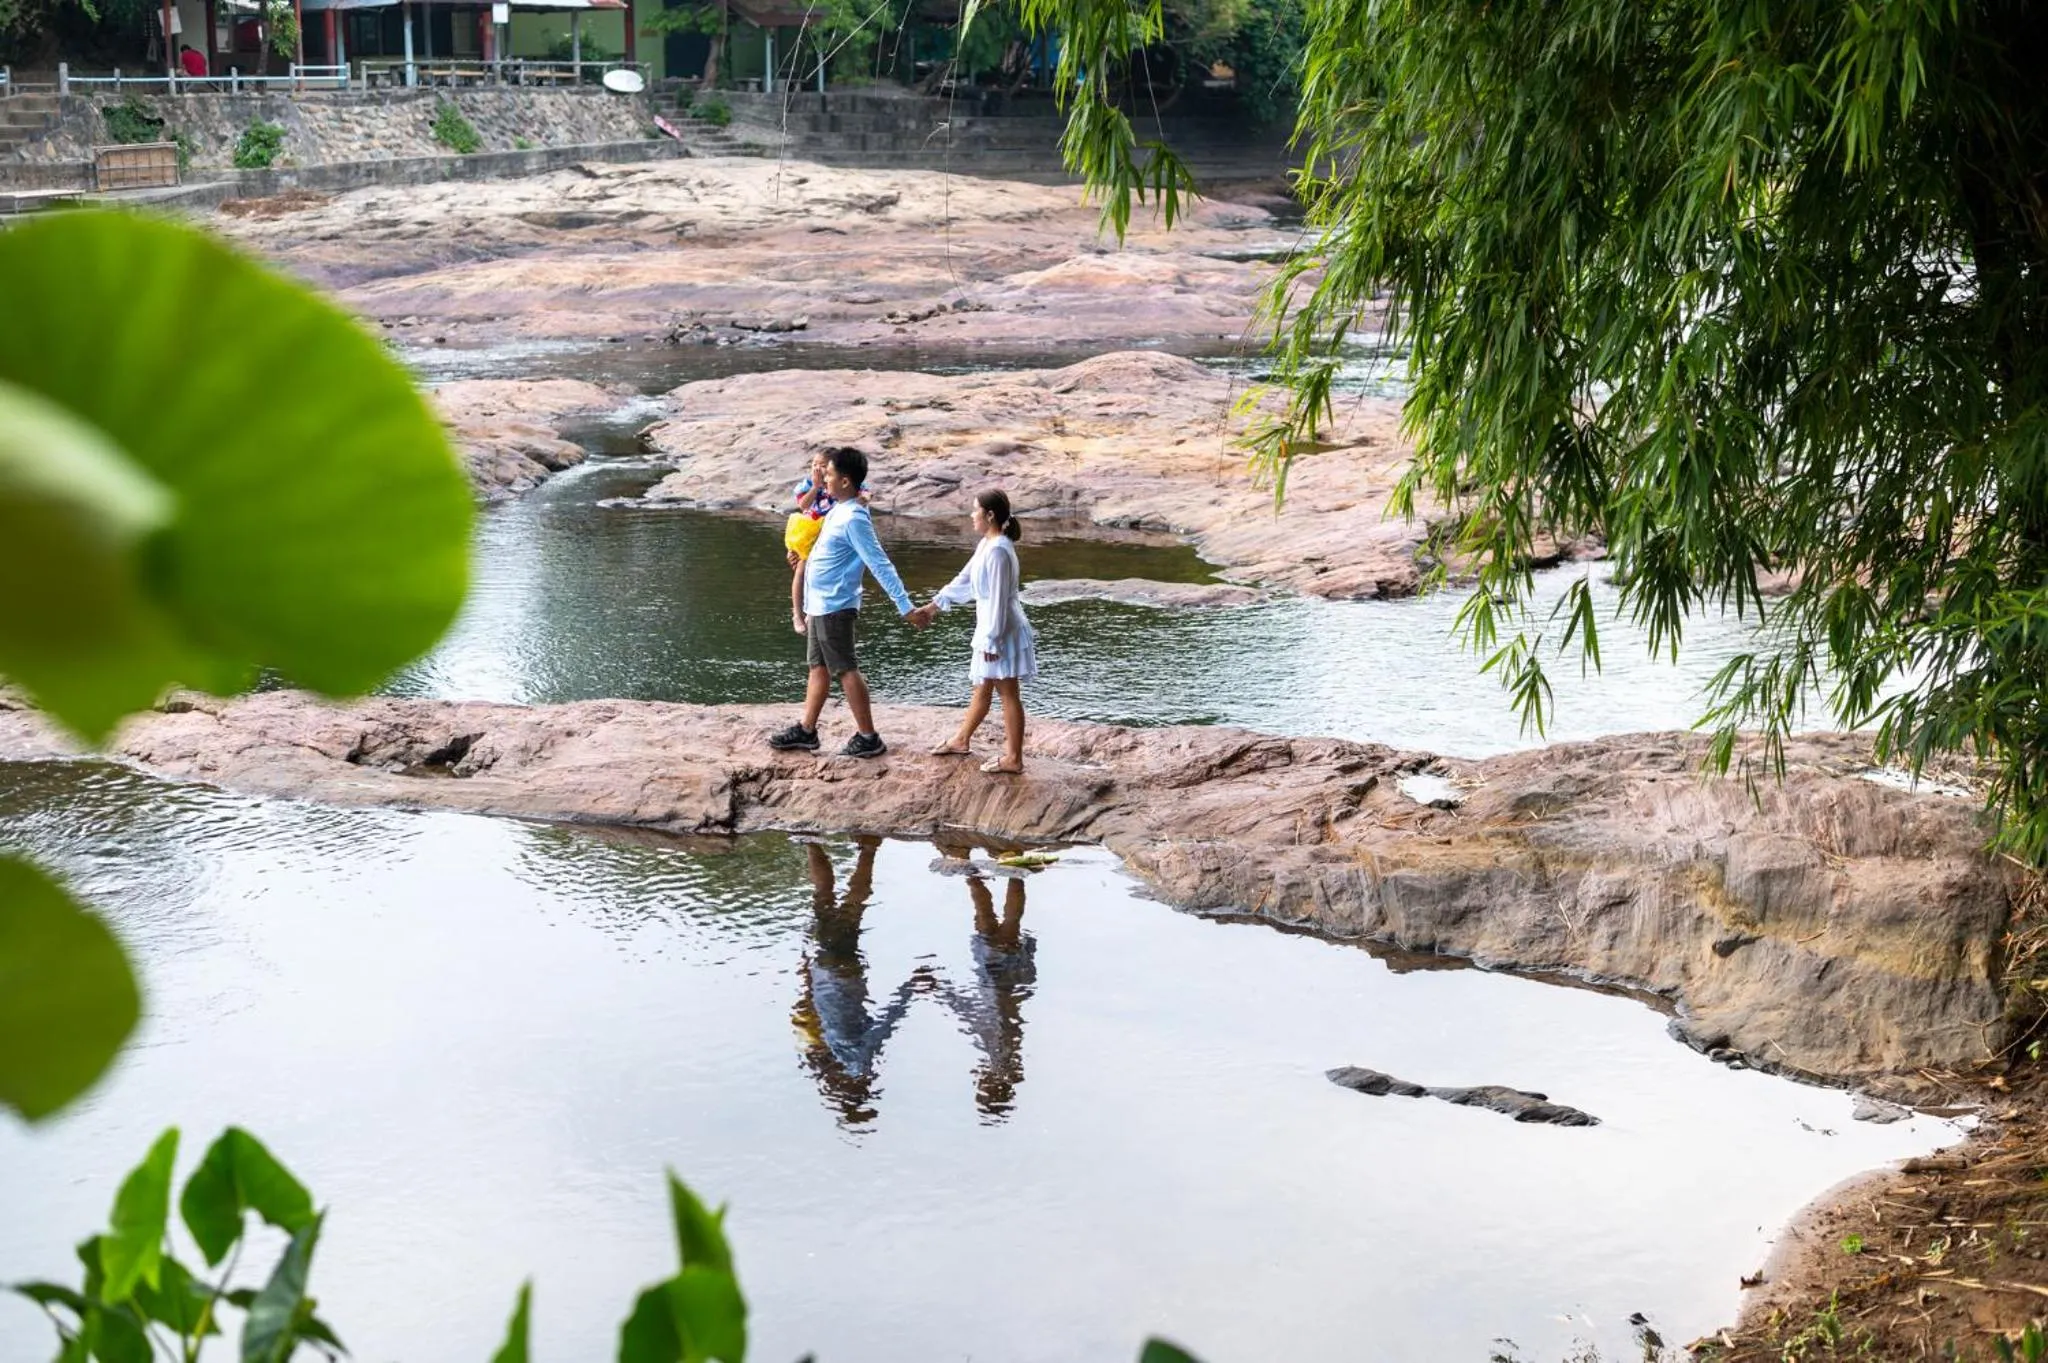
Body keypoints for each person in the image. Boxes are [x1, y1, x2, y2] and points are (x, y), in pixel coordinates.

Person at [768, 445, 921, 758]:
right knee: (818, 667)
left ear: (846, 481)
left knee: (846, 669)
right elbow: (824, 548)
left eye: (830, 474)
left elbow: (879, 563)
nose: (824, 478)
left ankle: (868, 737)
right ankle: (807, 730)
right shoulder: (838, 509)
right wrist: (799, 559)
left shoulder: (854, 518)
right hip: (819, 605)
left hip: (836, 605)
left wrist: (904, 606)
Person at [910, 488, 1036, 773]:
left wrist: (992, 641)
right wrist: (932, 606)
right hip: (991, 628)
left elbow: (1000, 600)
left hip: (1001, 630)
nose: (971, 515)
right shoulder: (987, 545)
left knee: (1007, 692)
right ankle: (961, 740)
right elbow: (964, 580)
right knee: (982, 687)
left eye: (975, 510)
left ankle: (1014, 759)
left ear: (989, 515)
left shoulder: (999, 551)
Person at [783, 448, 869, 636]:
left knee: (822, 570)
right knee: (802, 569)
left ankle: (813, 610)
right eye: (814, 464)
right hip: (811, 529)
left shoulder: (841, 484)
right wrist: (815, 487)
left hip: (831, 532)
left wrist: (863, 499)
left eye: (822, 465)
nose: (817, 468)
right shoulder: (808, 484)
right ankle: (797, 613)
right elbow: (803, 505)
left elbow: (864, 493)